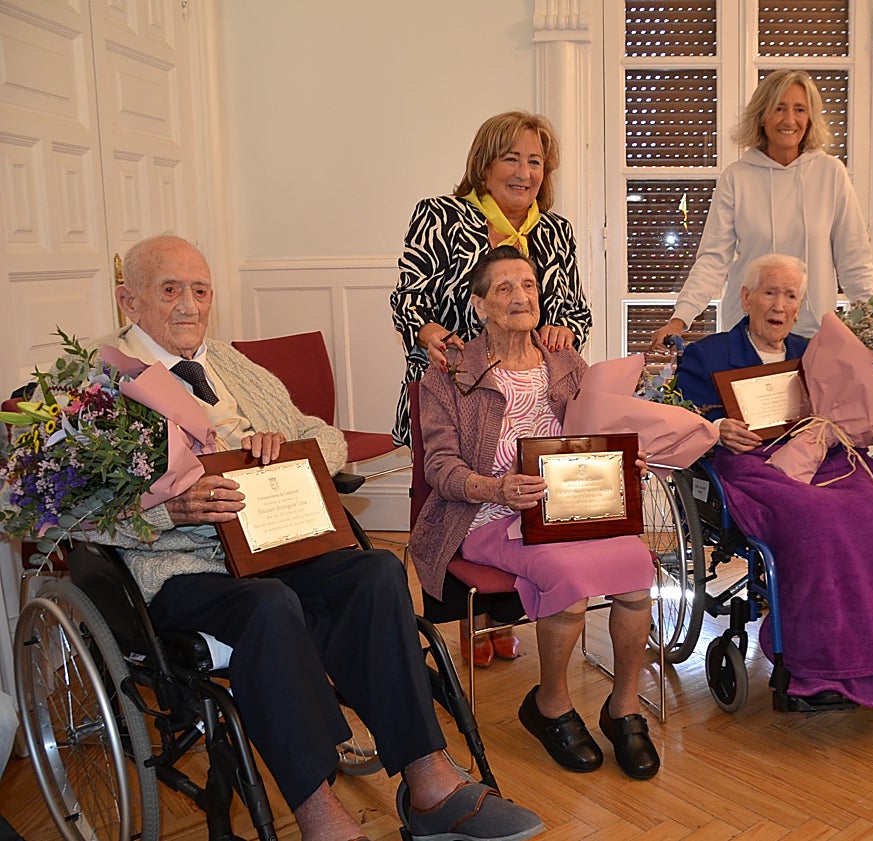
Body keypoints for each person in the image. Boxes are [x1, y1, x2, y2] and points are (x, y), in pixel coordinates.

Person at [103, 235, 545, 841]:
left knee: (377, 572)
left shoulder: (229, 364)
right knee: (269, 607)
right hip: (181, 567)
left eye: (200, 290)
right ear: (129, 301)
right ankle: (321, 818)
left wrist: (287, 450)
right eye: (169, 290)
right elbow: (59, 513)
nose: (189, 306)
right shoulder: (100, 384)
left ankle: (429, 782)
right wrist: (168, 511)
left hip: (277, 543)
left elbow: (323, 435)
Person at [408, 246, 660, 780]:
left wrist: (622, 462)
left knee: (638, 567)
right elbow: (441, 469)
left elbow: (595, 430)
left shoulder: (567, 361)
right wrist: (496, 488)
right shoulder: (449, 375)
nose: (521, 296)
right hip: (485, 515)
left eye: (528, 284)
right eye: (504, 288)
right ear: (478, 306)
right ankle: (550, 705)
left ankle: (624, 707)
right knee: (566, 575)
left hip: (571, 507)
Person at [675, 253, 873, 708]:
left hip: (821, 456)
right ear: (746, 298)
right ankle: (819, 664)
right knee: (816, 520)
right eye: (769, 292)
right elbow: (683, 416)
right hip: (749, 463)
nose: (779, 305)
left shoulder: (814, 351)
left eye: (790, 295)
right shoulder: (708, 353)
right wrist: (717, 428)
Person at [391, 110, 592, 668]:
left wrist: (561, 327)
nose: (525, 171)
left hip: (524, 381)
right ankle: (470, 620)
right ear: (484, 163)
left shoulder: (555, 231)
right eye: (512, 158)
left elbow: (574, 309)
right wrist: (430, 329)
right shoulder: (441, 215)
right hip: (452, 385)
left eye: (535, 160)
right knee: (460, 493)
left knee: (525, 486)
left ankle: (511, 610)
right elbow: (407, 299)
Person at [649, 69, 873, 351]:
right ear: (762, 116)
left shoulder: (831, 174)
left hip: (813, 335)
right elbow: (713, 259)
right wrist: (679, 319)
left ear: (810, 117)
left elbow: (854, 259)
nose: (789, 119)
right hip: (747, 335)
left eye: (799, 109)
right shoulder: (737, 177)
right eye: (779, 108)